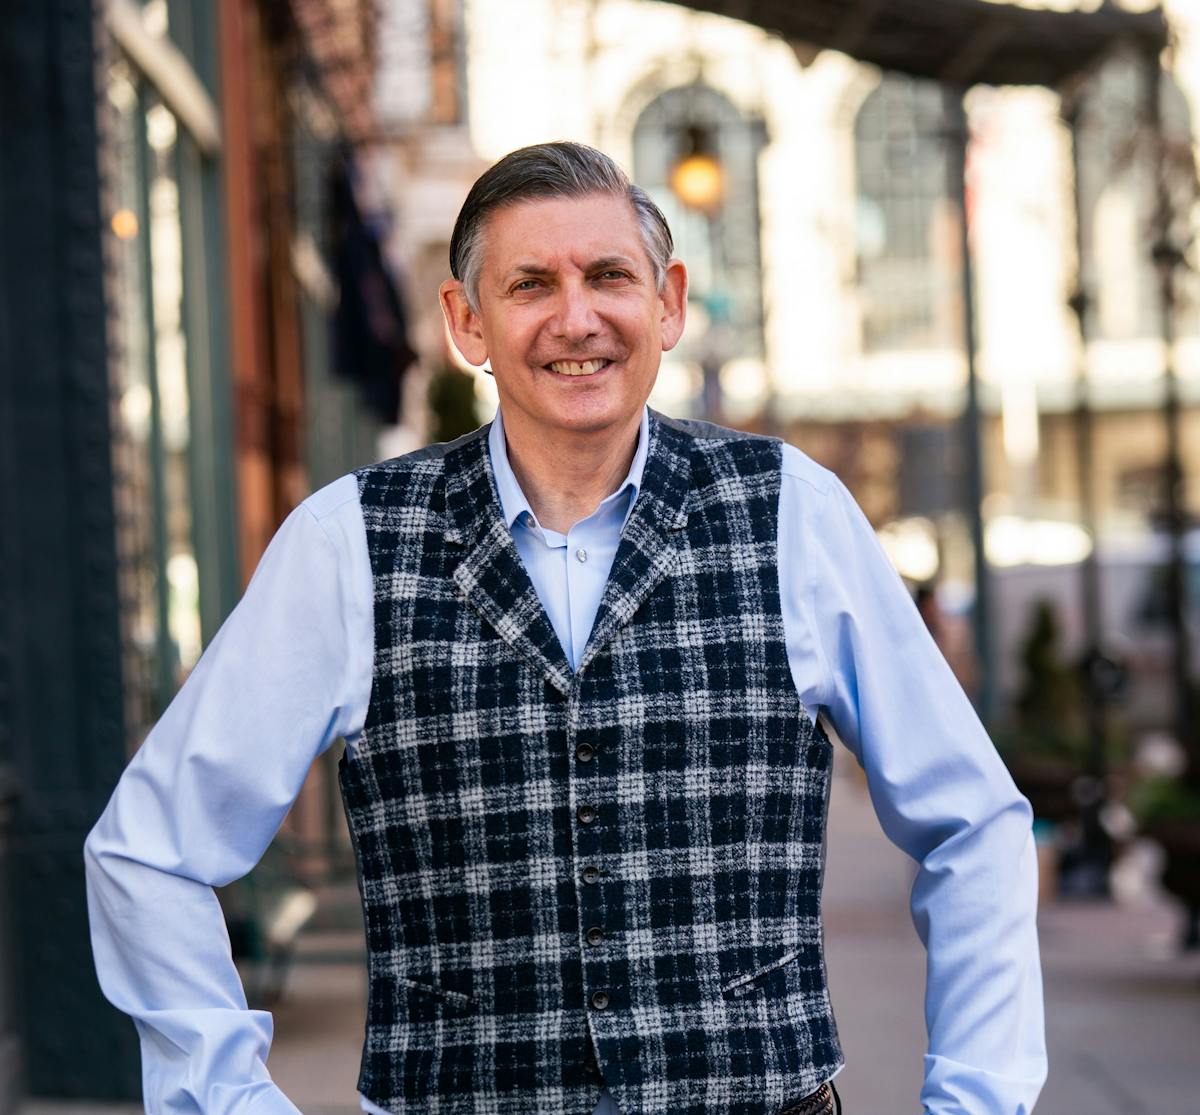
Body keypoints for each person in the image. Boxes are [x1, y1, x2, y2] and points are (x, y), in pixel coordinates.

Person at [85, 142, 1046, 1115]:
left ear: (667, 302)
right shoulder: (348, 543)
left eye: (609, 276)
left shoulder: (796, 513)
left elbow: (976, 823)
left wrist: (980, 1098)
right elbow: (147, 852)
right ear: (469, 322)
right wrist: (227, 1098)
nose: (575, 317)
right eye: (531, 283)